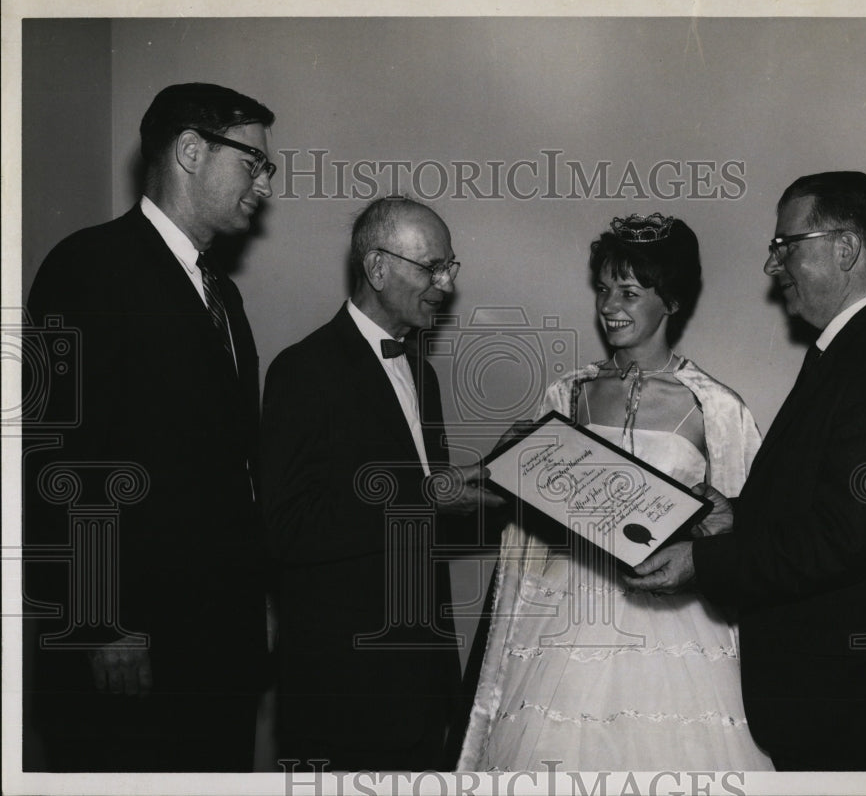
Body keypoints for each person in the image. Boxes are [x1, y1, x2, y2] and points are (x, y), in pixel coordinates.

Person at [626, 172, 866, 770]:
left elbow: (851, 537)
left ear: (846, 248)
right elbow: (836, 507)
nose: (772, 265)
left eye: (786, 245)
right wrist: (740, 516)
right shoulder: (860, 351)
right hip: (846, 713)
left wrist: (702, 563)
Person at [459, 214, 773, 771]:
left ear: (671, 300)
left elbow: (749, 534)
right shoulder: (568, 393)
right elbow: (523, 516)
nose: (610, 306)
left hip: (672, 615)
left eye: (630, 291)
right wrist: (497, 472)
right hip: (564, 615)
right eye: (604, 290)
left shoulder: (715, 407)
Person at [24, 83, 276, 771]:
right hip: (129, 658)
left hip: (214, 655)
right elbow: (55, 457)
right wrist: (102, 623)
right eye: (253, 162)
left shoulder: (222, 294)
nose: (264, 183)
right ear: (191, 150)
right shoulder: (89, 267)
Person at [261, 197, 504, 770]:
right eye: (432, 268)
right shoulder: (302, 371)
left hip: (420, 685)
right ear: (377, 268)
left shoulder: (420, 370)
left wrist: (521, 496)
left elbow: (425, 524)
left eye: (450, 268)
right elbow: (288, 529)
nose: (445, 284)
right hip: (342, 691)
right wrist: (428, 494)